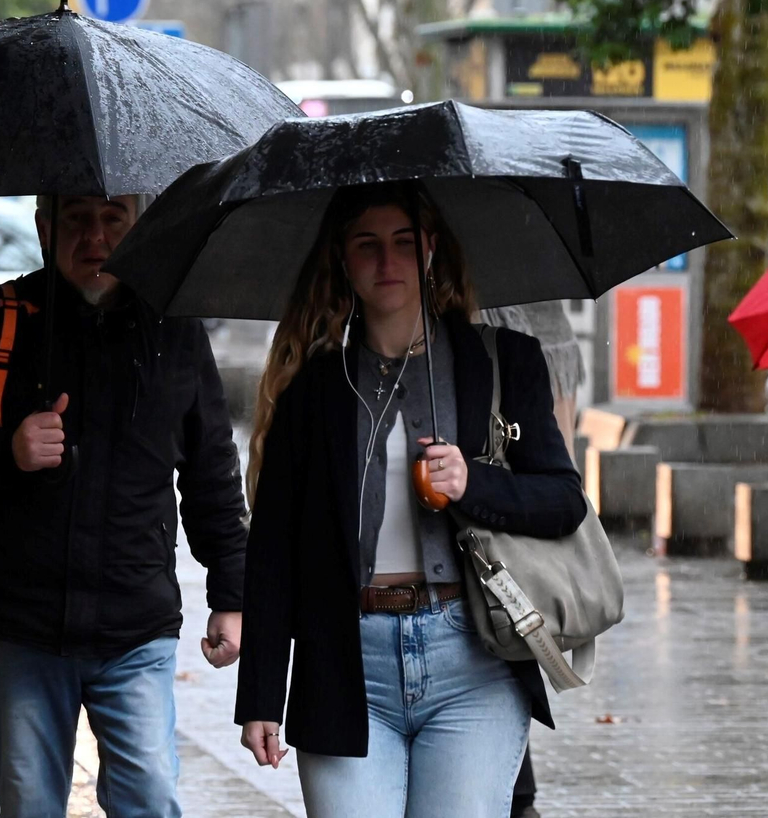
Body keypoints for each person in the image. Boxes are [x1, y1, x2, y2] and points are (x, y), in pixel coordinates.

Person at [0, 194, 248, 818]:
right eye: (78, 220)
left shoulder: (175, 328)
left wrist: (233, 596)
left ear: (139, 226)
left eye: (114, 219)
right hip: (17, 626)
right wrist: (7, 450)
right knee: (30, 805)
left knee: (152, 798)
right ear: (43, 227)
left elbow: (212, 471)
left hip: (135, 624)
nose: (96, 237)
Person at [236, 183, 588, 818]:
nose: (386, 262)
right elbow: (273, 550)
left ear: (430, 251)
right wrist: (261, 692)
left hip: (470, 660)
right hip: (346, 662)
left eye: (403, 243)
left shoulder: (503, 362)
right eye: (367, 245)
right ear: (342, 258)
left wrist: (472, 483)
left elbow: (564, 500)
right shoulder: (314, 388)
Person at [479, 300, 586, 818]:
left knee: (501, 603)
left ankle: (517, 789)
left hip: (492, 529)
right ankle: (517, 791)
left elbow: (556, 485)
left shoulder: (516, 336)